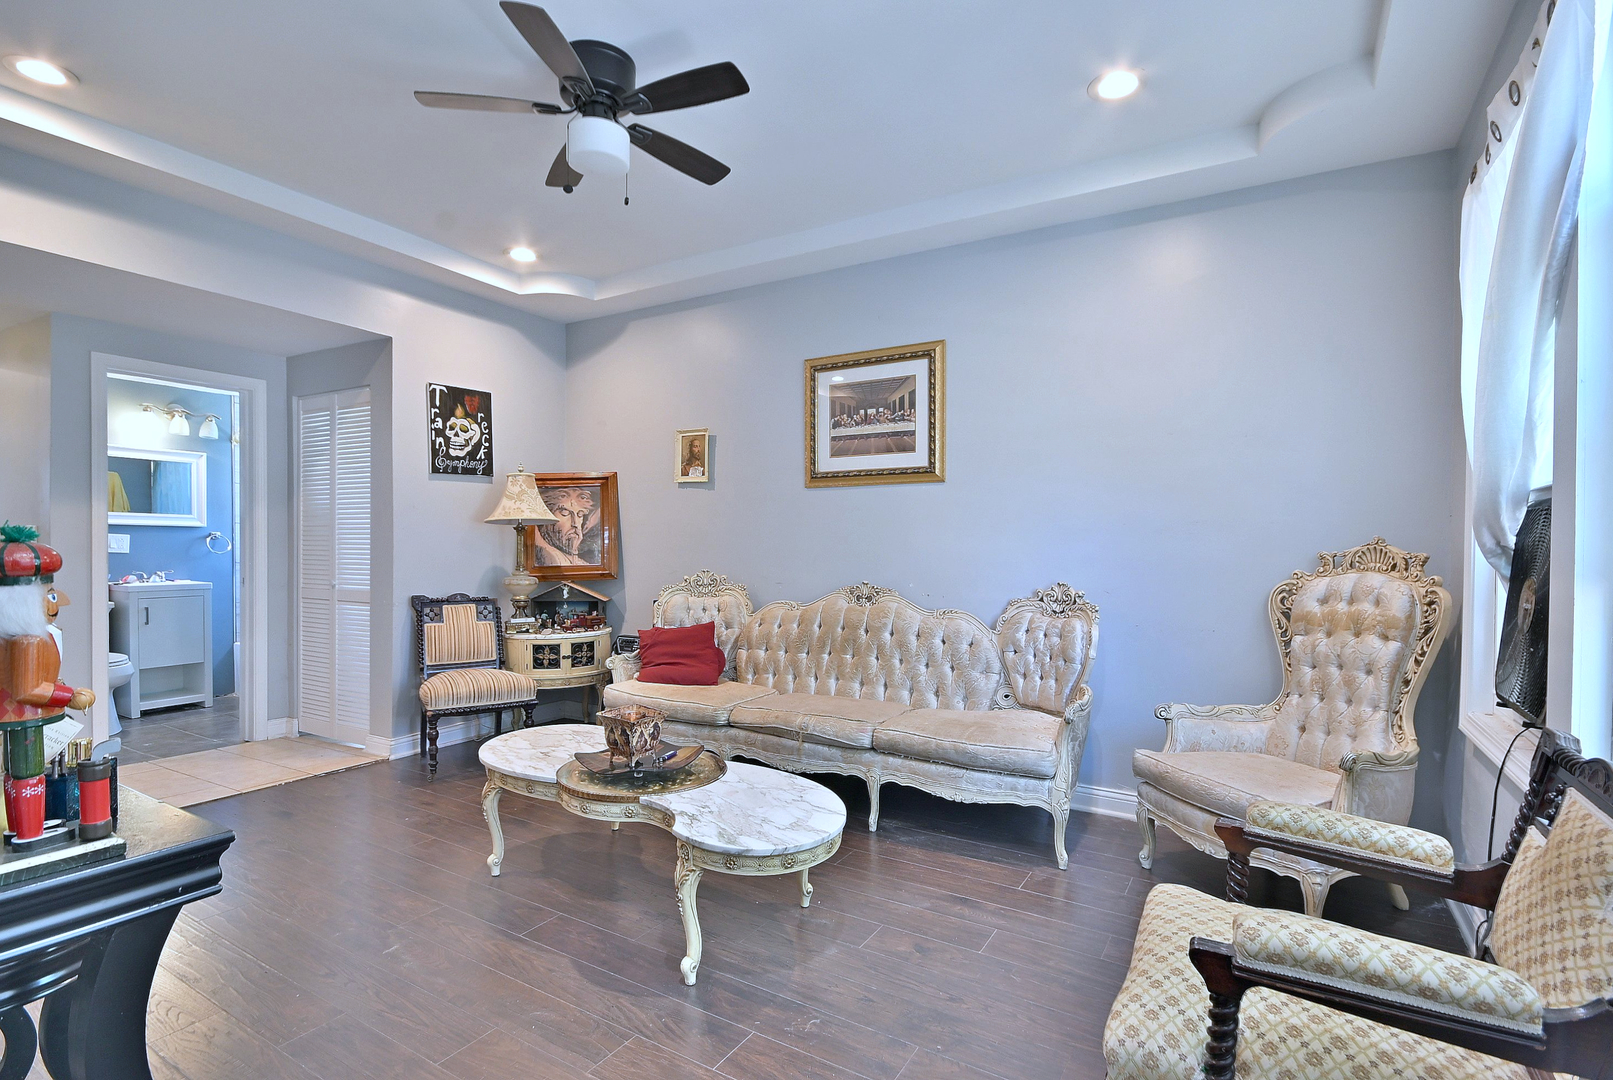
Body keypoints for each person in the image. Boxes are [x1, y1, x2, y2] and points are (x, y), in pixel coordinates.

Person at [533, 487, 601, 566]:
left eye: (580, 515)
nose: (575, 523)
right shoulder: (546, 558)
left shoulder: (583, 564)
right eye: (565, 513)